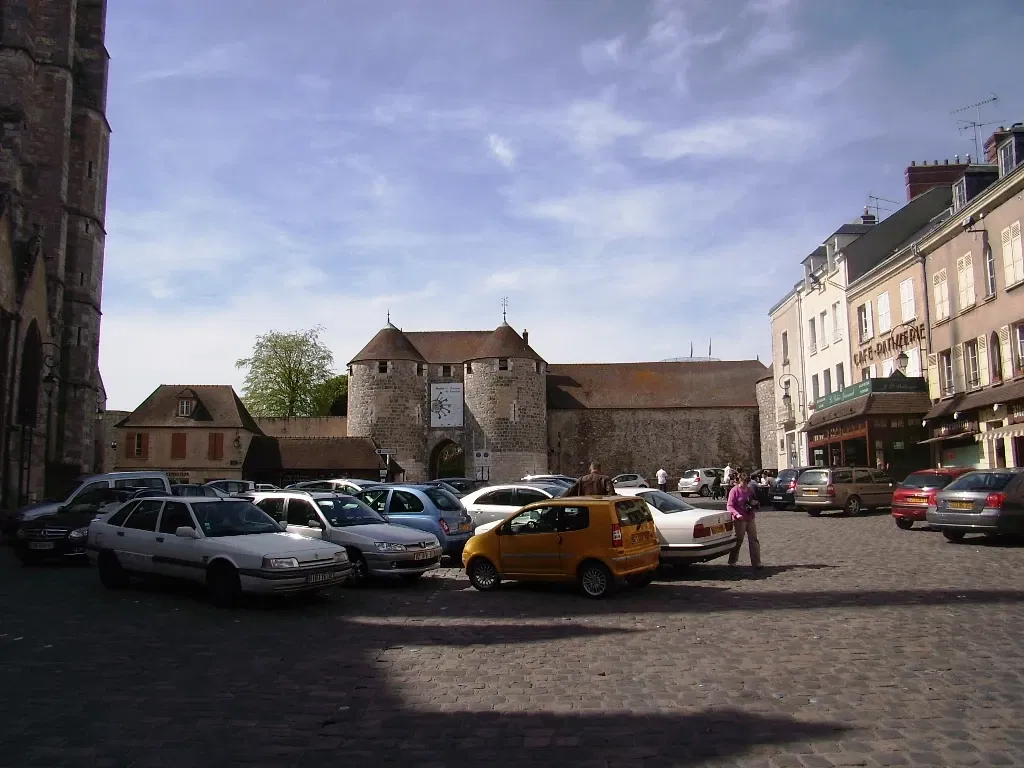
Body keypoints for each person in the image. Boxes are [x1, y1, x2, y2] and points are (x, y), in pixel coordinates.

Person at [727, 472, 762, 568]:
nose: (746, 484)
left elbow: (755, 500)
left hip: (750, 517)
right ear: (739, 481)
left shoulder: (750, 490)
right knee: (739, 540)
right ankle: (732, 560)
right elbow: (729, 506)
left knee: (754, 539)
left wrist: (755, 503)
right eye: (744, 482)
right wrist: (736, 514)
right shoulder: (734, 491)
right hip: (739, 519)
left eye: (747, 482)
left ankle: (756, 562)